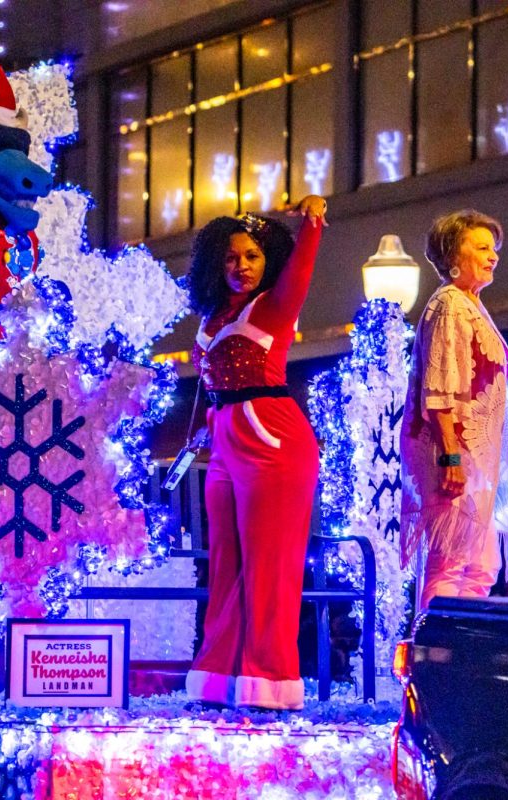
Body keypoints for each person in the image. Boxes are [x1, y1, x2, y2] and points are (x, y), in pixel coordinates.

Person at [184, 195, 327, 711]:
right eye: (231, 258)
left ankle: (269, 682)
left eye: (251, 257)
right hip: (224, 440)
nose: (241, 267)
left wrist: (312, 221)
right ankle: (219, 675)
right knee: (225, 564)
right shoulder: (217, 311)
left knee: (270, 565)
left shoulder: (276, 305)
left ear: (270, 259)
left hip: (272, 439)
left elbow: (304, 269)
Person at [400, 209, 508, 611]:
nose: (492, 255)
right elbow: (440, 389)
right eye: (481, 247)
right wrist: (450, 458)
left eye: (493, 249)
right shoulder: (450, 305)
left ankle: (457, 656)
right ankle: (433, 658)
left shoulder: (472, 307)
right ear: (451, 254)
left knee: (477, 568)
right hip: (454, 453)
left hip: (478, 458)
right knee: (450, 563)